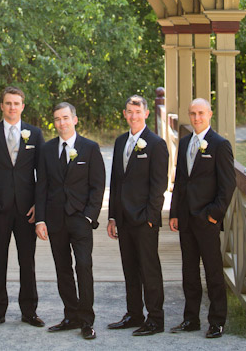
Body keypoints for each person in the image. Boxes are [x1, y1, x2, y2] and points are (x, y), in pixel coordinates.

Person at [0, 86, 45, 330]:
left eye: (17, 103)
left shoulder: (34, 134)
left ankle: (29, 310)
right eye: (8, 103)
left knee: (28, 261)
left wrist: (38, 205)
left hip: (27, 210)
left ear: (23, 106)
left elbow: (42, 175)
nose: (12, 107)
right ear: (2, 106)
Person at [35, 102, 105, 340]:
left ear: (75, 119)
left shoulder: (90, 148)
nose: (61, 123)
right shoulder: (46, 150)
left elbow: (98, 186)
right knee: (62, 269)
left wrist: (89, 216)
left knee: (83, 267)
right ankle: (70, 315)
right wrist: (40, 220)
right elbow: (42, 186)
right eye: (57, 119)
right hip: (55, 220)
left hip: (81, 220)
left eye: (65, 118)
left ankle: (87, 320)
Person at [169, 98, 235, 339]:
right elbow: (180, 182)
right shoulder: (185, 142)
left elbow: (228, 186)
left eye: (200, 113)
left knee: (213, 271)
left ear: (210, 114)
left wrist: (213, 215)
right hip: (186, 218)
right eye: (192, 114)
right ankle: (191, 318)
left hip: (207, 219)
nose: (196, 118)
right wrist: (175, 212)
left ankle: (217, 321)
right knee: (189, 271)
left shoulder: (220, 144)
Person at [107, 95, 168, 336]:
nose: (133, 116)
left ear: (145, 114)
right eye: (129, 112)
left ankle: (156, 318)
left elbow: (158, 185)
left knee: (149, 269)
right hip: (123, 218)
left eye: (137, 112)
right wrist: (112, 217)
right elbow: (116, 181)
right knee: (129, 268)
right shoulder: (121, 141)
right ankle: (134, 314)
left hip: (145, 219)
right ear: (125, 114)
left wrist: (151, 217)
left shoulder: (155, 144)